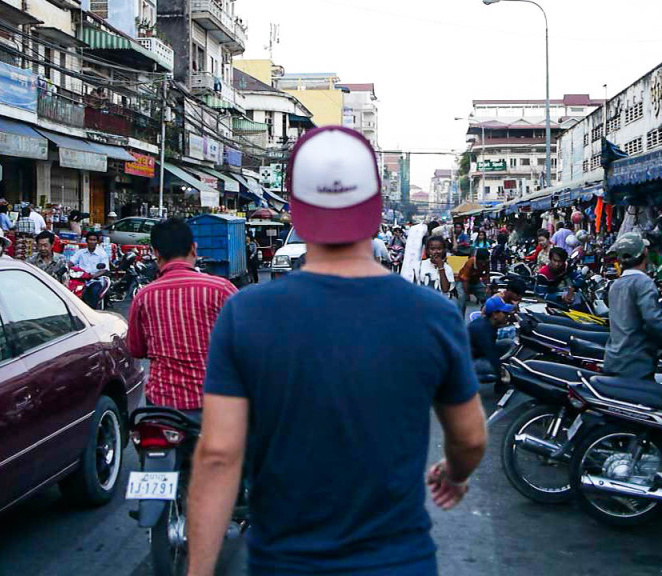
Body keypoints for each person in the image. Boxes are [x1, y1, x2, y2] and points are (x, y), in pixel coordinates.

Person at [186, 126, 486, 576]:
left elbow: (218, 456)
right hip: (398, 563)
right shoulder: (432, 316)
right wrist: (456, 474)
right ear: (376, 208)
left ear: (297, 212)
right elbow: (470, 438)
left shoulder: (246, 313)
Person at [128, 218, 236, 411]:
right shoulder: (221, 289)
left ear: (156, 253)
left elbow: (137, 349)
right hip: (217, 403)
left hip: (164, 405)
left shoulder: (144, 297)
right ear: (194, 249)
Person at [603, 232, 662, 379]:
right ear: (644, 253)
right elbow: (654, 321)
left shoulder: (615, 285)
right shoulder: (643, 283)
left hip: (614, 359)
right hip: (636, 364)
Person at [469, 295, 517, 382]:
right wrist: (501, 372)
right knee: (496, 370)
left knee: (508, 343)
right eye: (504, 313)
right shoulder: (483, 330)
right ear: (494, 314)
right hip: (466, 361)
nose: (507, 315)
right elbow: (491, 354)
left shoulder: (489, 323)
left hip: (478, 353)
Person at [69, 230, 110, 308]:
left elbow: (104, 269)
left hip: (94, 281)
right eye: (90, 240)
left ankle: (92, 311)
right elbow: (71, 262)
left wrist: (94, 275)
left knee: (93, 293)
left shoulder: (102, 254)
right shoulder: (80, 252)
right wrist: (67, 266)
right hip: (79, 280)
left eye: (94, 240)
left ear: (97, 241)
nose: (92, 242)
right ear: (86, 240)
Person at [456, 248, 490, 316]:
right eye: (481, 261)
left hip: (476, 281)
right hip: (462, 281)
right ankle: (459, 318)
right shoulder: (470, 262)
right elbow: (465, 279)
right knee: (462, 298)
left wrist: (487, 286)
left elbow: (487, 274)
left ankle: (485, 315)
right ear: (477, 259)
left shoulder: (486, 262)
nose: (483, 263)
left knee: (487, 297)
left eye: (485, 261)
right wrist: (467, 293)